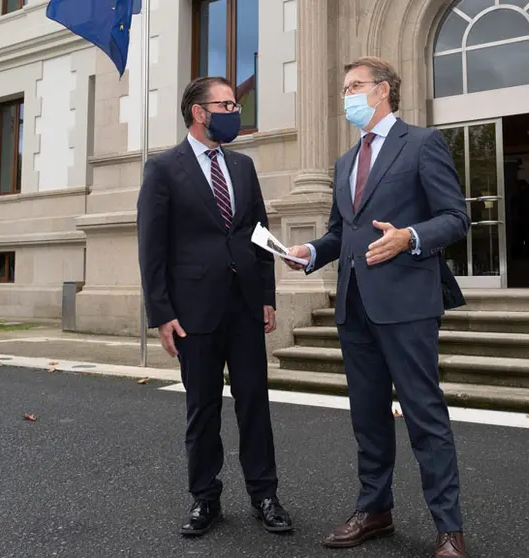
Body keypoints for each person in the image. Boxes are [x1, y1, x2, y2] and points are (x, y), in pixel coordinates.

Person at [286, 57, 470, 558]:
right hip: (354, 305)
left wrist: (409, 237)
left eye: (355, 86)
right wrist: (310, 253)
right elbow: (337, 232)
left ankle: (448, 528)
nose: (347, 95)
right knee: (367, 417)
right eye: (345, 87)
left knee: (424, 414)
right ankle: (375, 510)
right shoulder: (346, 162)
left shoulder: (423, 144)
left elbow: (456, 218)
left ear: (384, 91)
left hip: (407, 304)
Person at [137, 76, 294, 537]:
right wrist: (161, 313)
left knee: (255, 405)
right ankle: (205, 499)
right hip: (193, 312)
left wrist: (266, 297)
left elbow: (260, 235)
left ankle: (265, 494)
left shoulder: (243, 166)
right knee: (202, 408)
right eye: (225, 104)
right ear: (199, 113)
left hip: (244, 307)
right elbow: (152, 248)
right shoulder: (163, 168)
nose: (234, 110)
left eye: (235, 103)